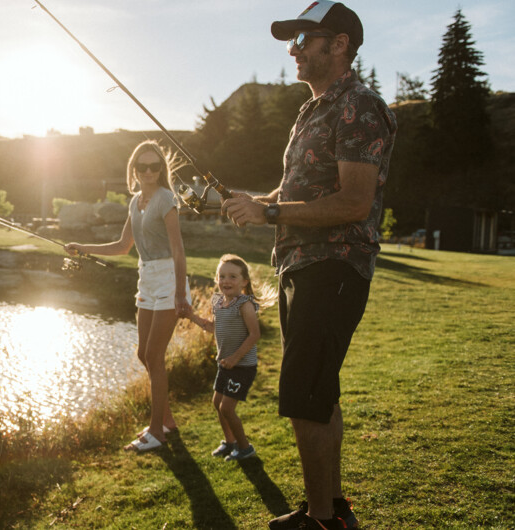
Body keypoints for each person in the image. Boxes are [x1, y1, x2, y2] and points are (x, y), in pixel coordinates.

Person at [221, 2, 397, 529]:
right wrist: (258, 202)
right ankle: (332, 509)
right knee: (320, 392)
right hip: (302, 266)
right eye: (291, 41)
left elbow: (354, 202)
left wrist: (270, 213)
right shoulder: (311, 111)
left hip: (334, 266)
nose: (293, 50)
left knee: (304, 394)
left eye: (303, 39)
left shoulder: (360, 106)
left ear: (338, 44)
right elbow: (299, 188)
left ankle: (320, 521)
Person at [64, 139, 191, 452]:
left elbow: (178, 250)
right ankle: (167, 421)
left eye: (154, 166)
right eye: (142, 166)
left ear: (161, 168)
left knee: (154, 356)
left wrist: (180, 293)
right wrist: (82, 247)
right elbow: (123, 246)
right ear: (134, 169)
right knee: (143, 354)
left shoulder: (166, 199)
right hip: (146, 278)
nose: (148, 171)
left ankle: (156, 432)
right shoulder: (135, 202)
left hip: (168, 280)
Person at [182, 254, 262, 462]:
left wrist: (235, 358)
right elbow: (213, 328)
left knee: (227, 407)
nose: (226, 281)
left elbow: (254, 334)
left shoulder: (245, 304)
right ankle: (230, 442)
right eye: (222, 276)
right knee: (217, 403)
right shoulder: (218, 302)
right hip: (225, 364)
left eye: (233, 277)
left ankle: (245, 448)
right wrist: (191, 316)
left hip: (242, 366)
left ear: (244, 282)